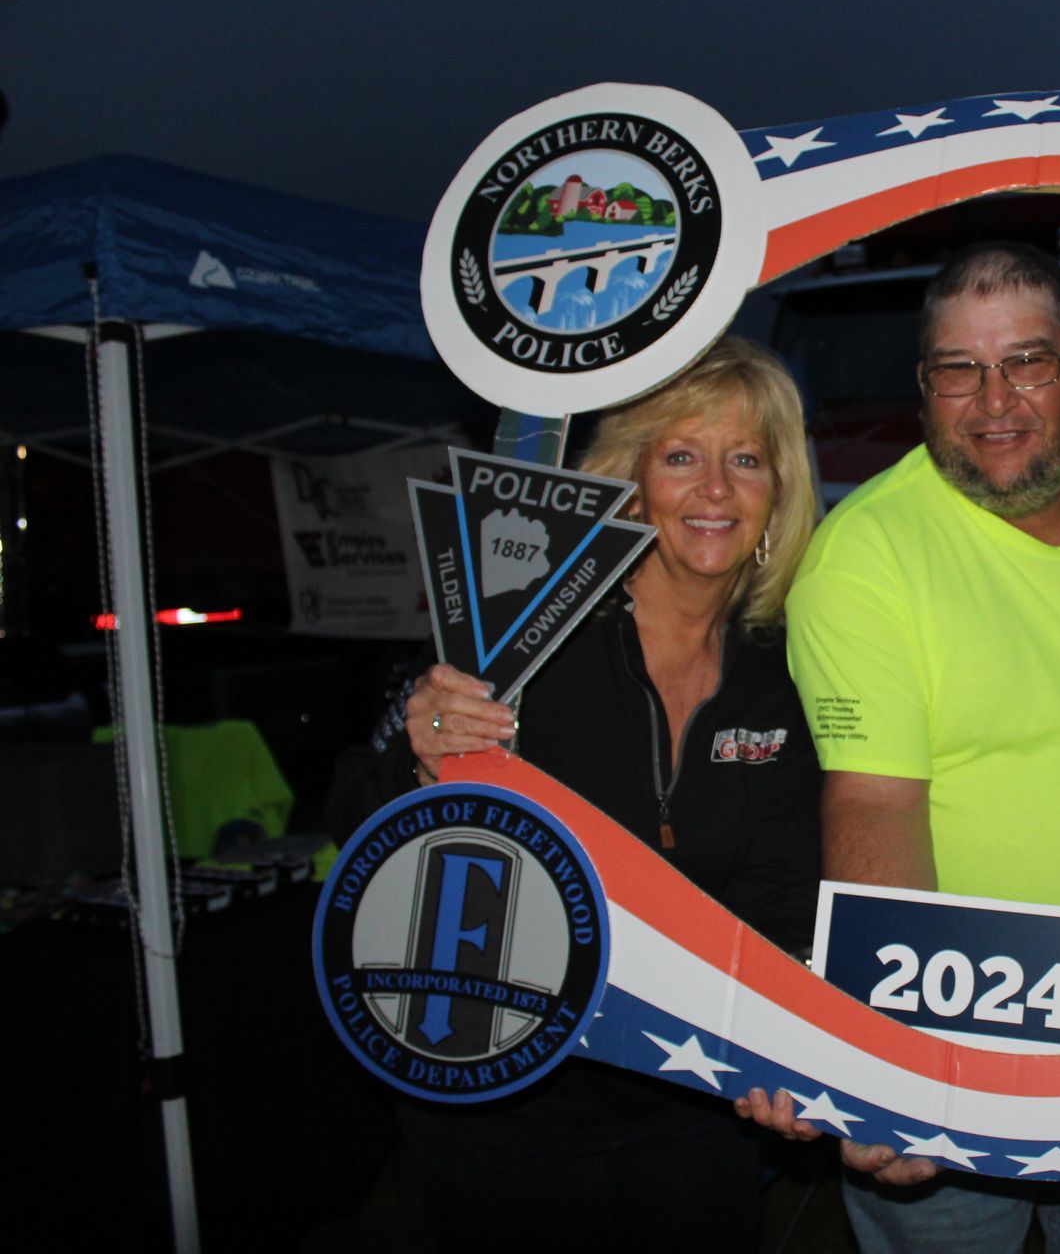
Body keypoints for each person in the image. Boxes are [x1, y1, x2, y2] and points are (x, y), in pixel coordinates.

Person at [751, 240, 1060, 1253]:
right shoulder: (865, 553)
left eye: (1027, 362)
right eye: (958, 370)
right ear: (923, 386)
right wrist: (892, 1053)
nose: (994, 402)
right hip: (956, 1005)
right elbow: (873, 800)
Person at [326, 335, 822, 1252]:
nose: (716, 489)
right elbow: (353, 808)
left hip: (691, 1103)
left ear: (780, 493)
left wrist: (783, 1036)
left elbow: (780, 885)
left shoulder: (781, 671)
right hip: (506, 1107)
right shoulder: (523, 630)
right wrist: (421, 758)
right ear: (628, 483)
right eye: (682, 457)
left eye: (747, 460)